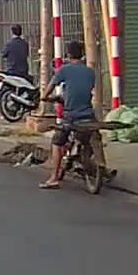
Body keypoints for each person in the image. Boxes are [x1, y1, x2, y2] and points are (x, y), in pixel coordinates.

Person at [40, 41, 97, 190]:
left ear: (68, 55)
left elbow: (48, 90)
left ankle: (53, 178)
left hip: (71, 115)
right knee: (92, 136)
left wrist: (45, 97)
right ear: (82, 54)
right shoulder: (90, 72)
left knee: (57, 142)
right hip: (89, 114)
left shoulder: (64, 70)